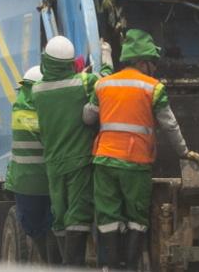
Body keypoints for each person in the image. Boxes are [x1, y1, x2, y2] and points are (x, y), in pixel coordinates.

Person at [83, 29, 199, 271]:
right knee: (136, 219)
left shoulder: (103, 85)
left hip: (105, 161)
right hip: (134, 162)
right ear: (142, 61)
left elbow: (88, 118)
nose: (154, 67)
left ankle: (110, 266)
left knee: (108, 217)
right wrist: (184, 151)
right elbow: (170, 125)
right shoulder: (153, 88)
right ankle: (130, 266)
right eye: (152, 62)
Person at [33, 35, 112, 267]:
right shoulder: (83, 83)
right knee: (78, 213)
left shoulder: (37, 91)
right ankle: (73, 265)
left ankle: (62, 264)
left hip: (53, 164)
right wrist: (105, 52)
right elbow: (106, 78)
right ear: (70, 64)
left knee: (60, 213)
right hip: (79, 161)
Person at [4, 65, 60, 264]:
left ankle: (45, 261)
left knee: (35, 229)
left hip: (23, 183)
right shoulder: (47, 109)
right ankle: (51, 263)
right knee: (52, 227)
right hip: (47, 180)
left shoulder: (18, 107)